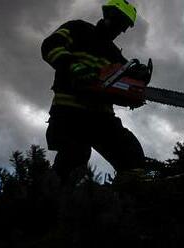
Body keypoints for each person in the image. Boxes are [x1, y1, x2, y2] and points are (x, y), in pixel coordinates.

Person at [41, 0, 145, 185]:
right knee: (75, 157)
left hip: (101, 116)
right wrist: (73, 66)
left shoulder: (115, 55)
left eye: (123, 28)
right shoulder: (78, 29)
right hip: (69, 112)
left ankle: (128, 196)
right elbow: (50, 46)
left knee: (131, 153)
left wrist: (134, 89)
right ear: (108, 16)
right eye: (118, 23)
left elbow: (116, 88)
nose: (119, 30)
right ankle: (51, 199)